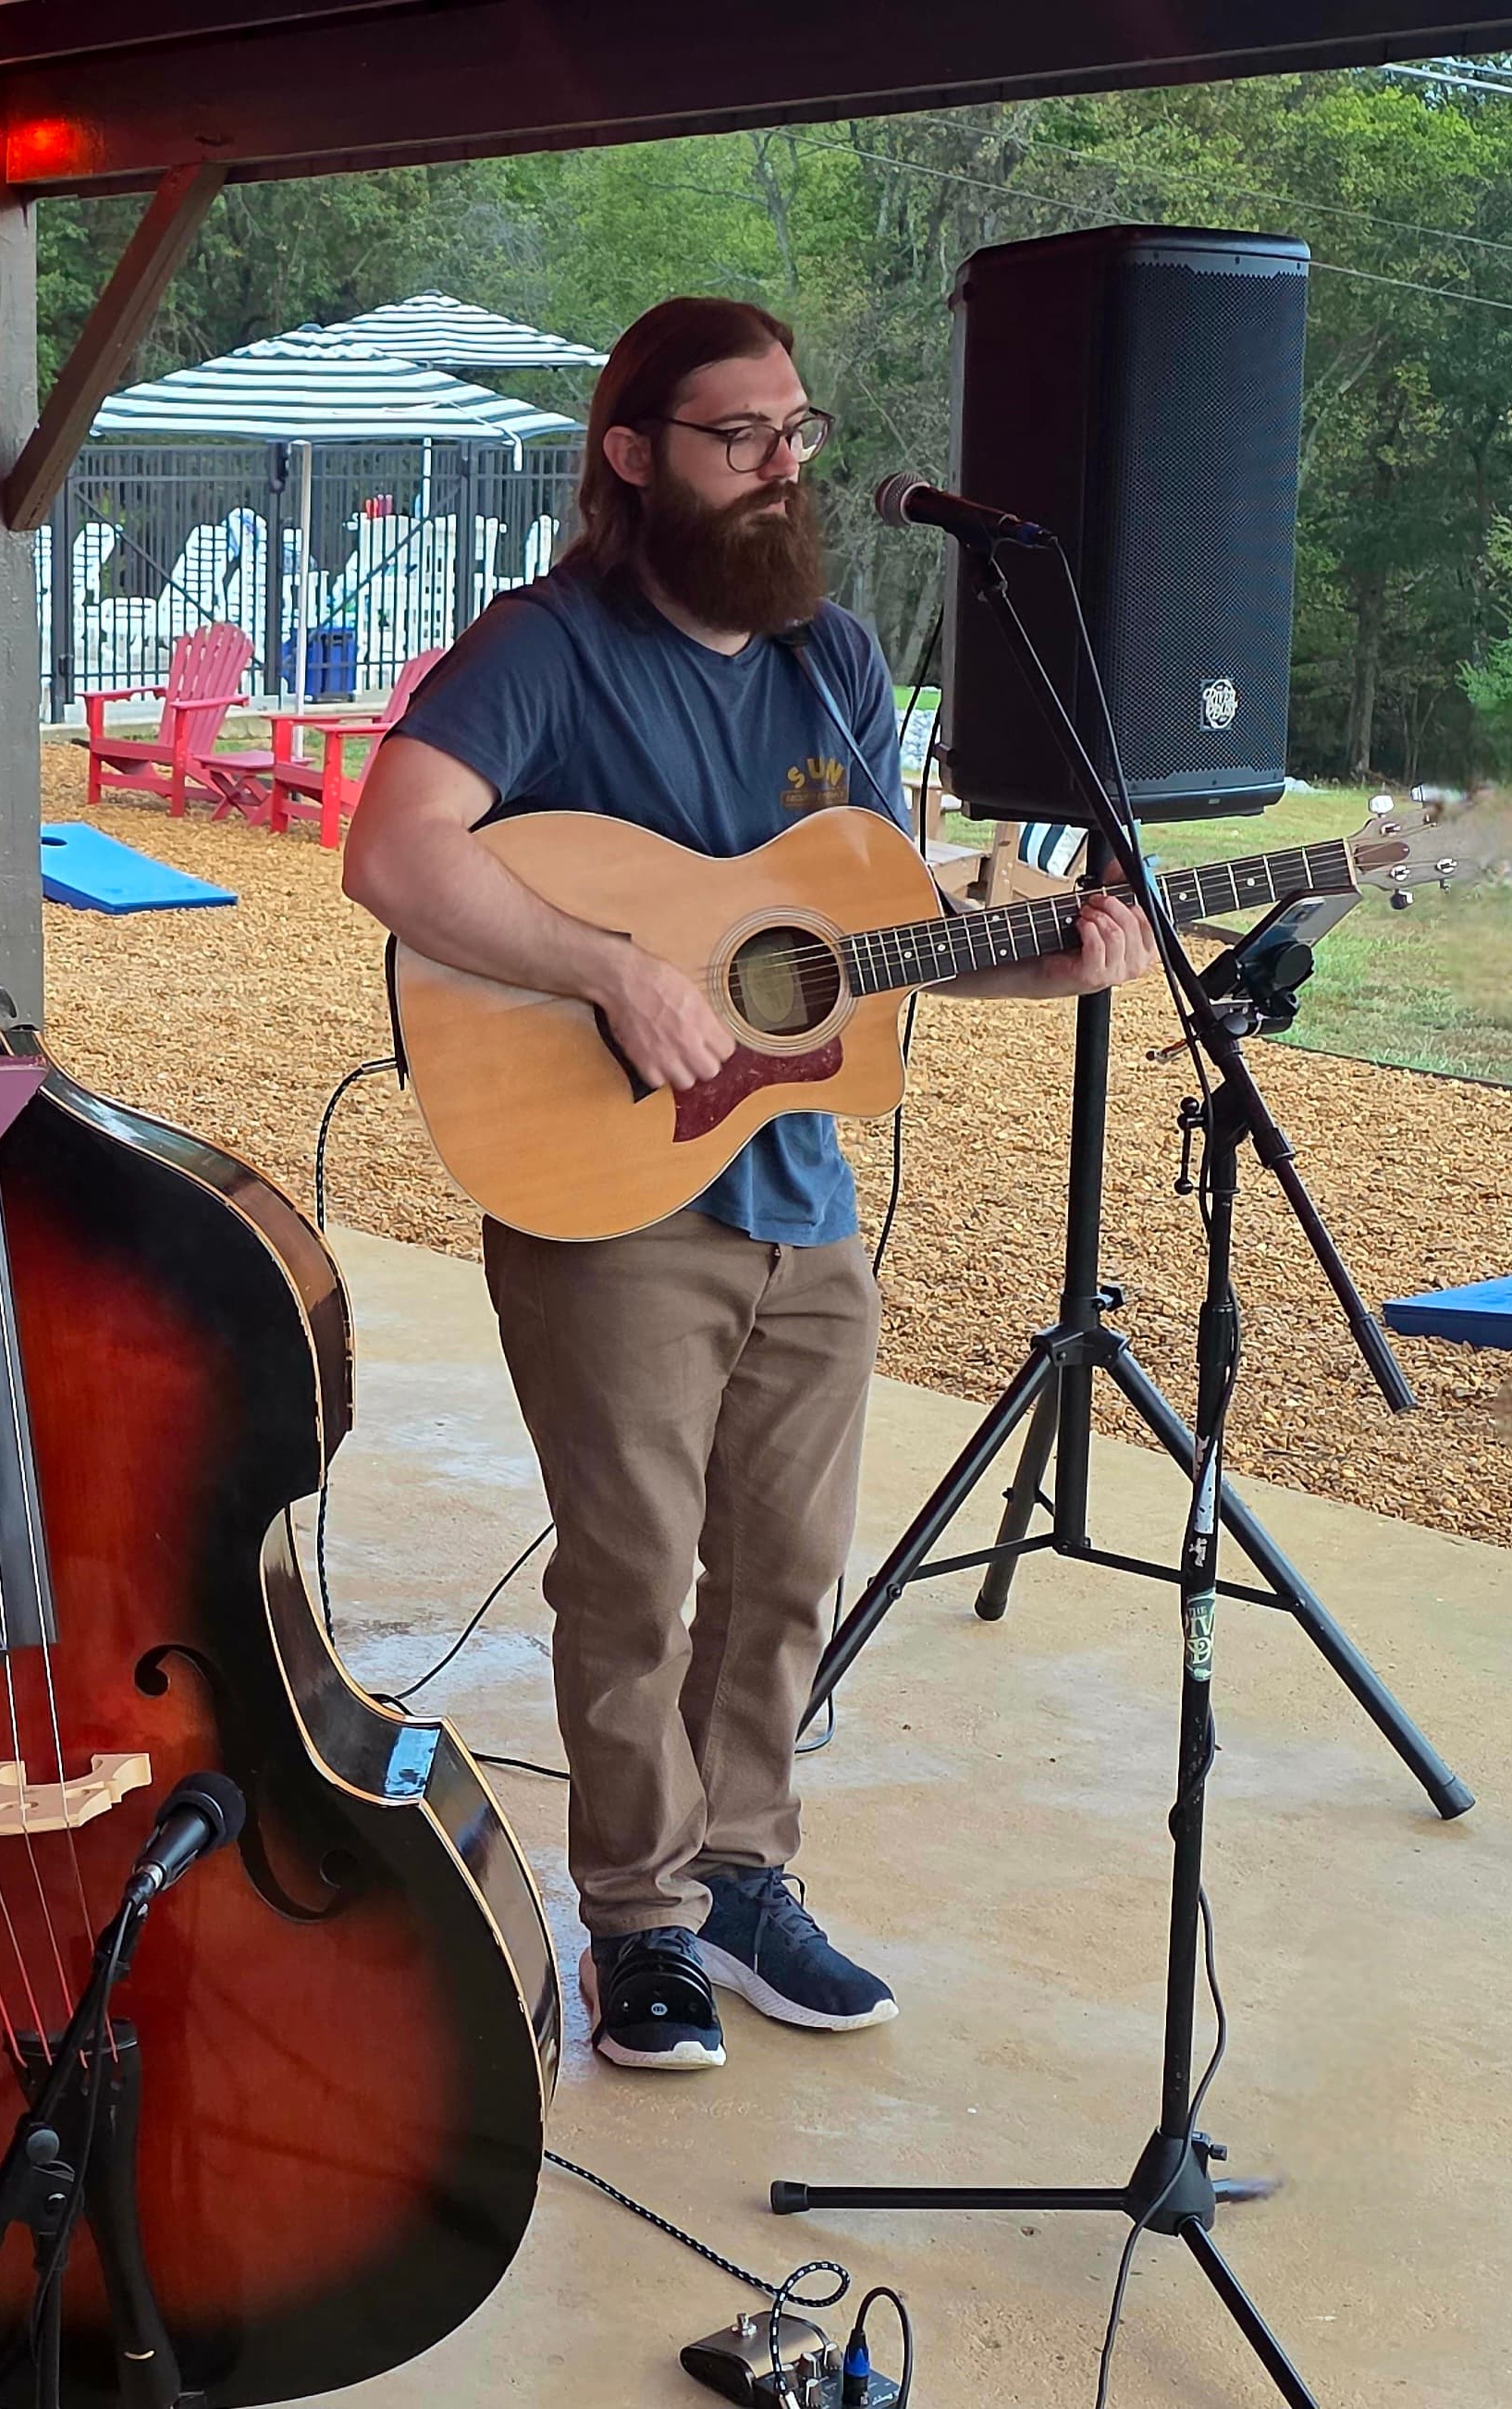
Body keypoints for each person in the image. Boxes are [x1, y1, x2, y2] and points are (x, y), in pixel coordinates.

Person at [341, 297, 1156, 2075]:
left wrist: (1041, 961)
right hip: (608, 1187)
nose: (783, 467)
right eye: (739, 437)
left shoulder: (832, 660)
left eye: (794, 431)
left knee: (783, 1572)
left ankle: (739, 1874)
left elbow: (858, 928)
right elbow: (389, 851)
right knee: (631, 1573)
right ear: (632, 455)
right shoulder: (542, 646)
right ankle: (636, 1917)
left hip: (794, 1181)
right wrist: (611, 970)